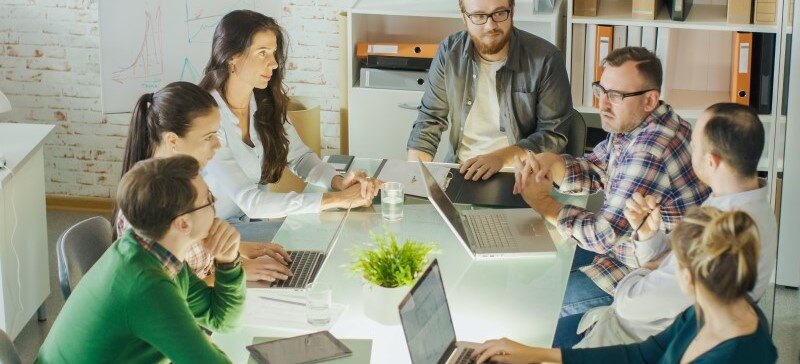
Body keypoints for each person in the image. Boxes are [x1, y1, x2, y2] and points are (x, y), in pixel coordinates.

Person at [513, 47, 710, 341]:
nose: (602, 103)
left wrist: (543, 204)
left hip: (646, 274)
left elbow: (603, 234)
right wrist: (552, 164)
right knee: (532, 264)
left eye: (615, 95)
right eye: (601, 90)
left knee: (538, 305)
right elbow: (600, 169)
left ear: (649, 99)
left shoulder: (650, 149)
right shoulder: (642, 120)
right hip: (626, 249)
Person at [564, 103, 778, 348]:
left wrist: (648, 267)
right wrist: (649, 237)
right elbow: (668, 263)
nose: (689, 151)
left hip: (641, 339)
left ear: (711, 162)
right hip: (654, 319)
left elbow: (629, 304)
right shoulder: (744, 198)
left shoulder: (724, 234)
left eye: (694, 146)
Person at [472, 207, 778, 364]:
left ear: (687, 277)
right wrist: (537, 354)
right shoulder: (712, 311)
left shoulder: (733, 354)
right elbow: (641, 356)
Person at [38, 156, 246, 363]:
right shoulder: (147, 286)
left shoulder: (151, 250)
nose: (215, 202)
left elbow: (222, 320)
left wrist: (228, 261)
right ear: (183, 224)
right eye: (208, 199)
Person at [200, 10, 380, 242]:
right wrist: (339, 200)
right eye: (262, 53)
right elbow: (252, 202)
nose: (273, 63)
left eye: (273, 53)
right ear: (231, 56)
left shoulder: (262, 101)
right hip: (212, 236)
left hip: (247, 223)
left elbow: (299, 157)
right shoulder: (206, 117)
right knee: (317, 238)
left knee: (332, 231)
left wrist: (338, 181)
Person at [116, 81, 292, 284]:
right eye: (209, 137)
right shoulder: (150, 201)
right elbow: (167, 287)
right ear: (173, 141)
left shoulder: (184, 180)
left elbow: (195, 249)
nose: (217, 145)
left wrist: (239, 249)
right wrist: (234, 271)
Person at [406, 0, 572, 181]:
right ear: (464, 16)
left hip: (523, 176)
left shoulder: (546, 59)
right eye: (479, 16)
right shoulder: (449, 52)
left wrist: (499, 158)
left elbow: (552, 135)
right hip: (461, 170)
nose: (490, 25)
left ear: (512, 10)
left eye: (500, 13)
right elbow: (430, 119)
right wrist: (413, 177)